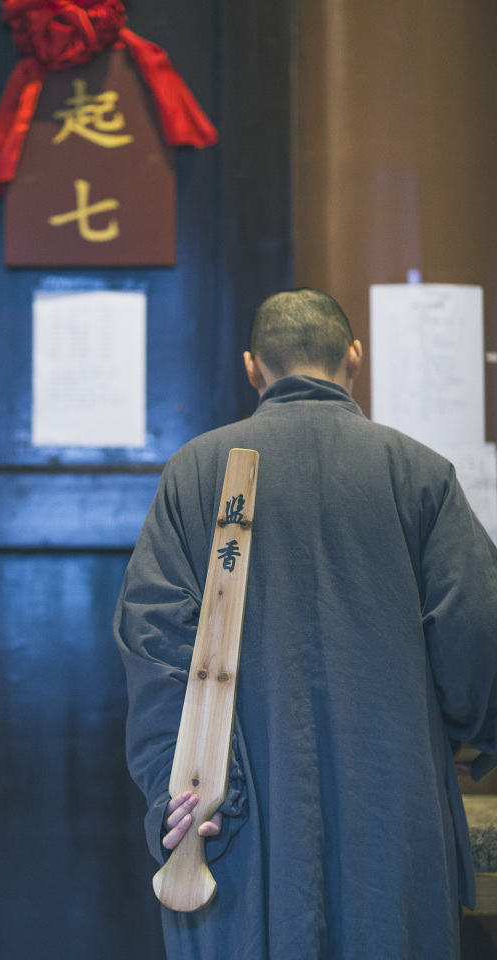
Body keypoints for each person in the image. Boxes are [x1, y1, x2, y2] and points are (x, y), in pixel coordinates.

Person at [113, 288, 497, 960]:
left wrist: (176, 785)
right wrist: (478, 731)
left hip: (234, 814)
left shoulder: (197, 472)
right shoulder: (420, 474)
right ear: (355, 356)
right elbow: (476, 633)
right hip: (391, 799)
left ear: (253, 368)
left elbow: (153, 641)